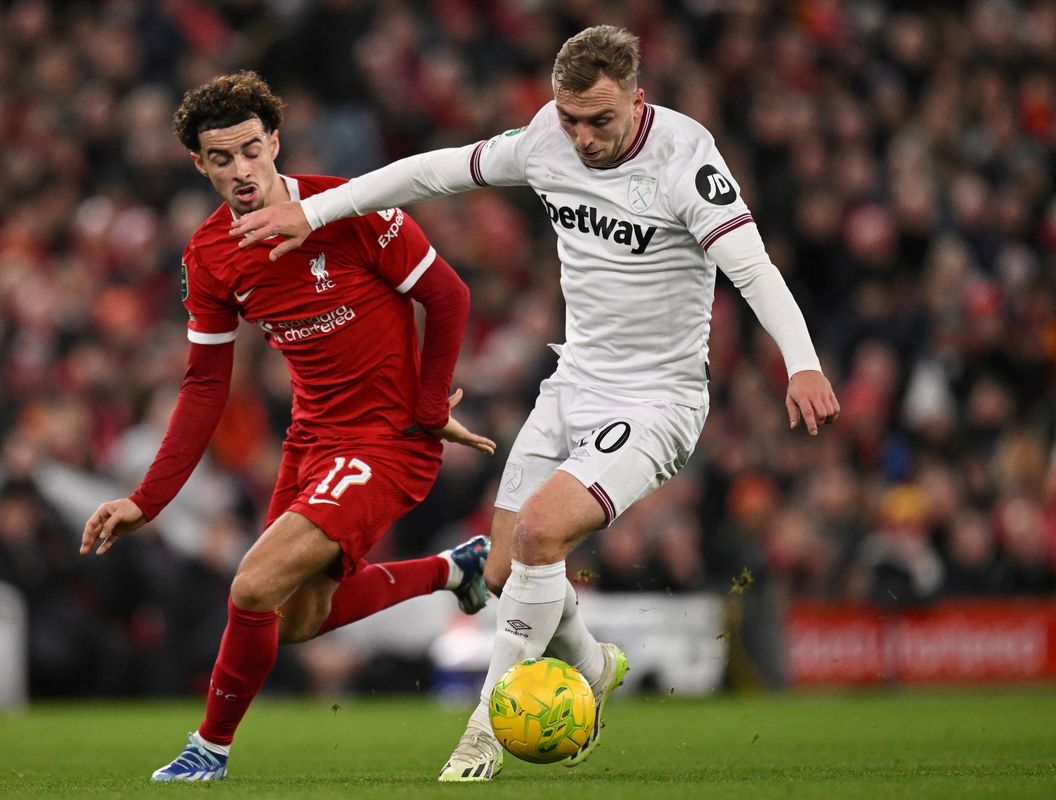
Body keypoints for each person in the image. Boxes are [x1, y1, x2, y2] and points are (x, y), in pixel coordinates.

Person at [231, 25, 841, 782]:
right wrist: (316, 212)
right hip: (573, 380)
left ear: (636, 100)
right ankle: (592, 663)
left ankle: (483, 734)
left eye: (600, 121)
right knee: (502, 565)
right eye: (569, 118)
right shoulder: (547, 138)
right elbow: (432, 171)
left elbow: (753, 269)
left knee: (543, 536)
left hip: (658, 399)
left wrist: (803, 363)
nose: (581, 137)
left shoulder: (686, 160)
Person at [79, 71, 498, 782]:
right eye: (221, 159)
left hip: (387, 440)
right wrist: (145, 500)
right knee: (298, 620)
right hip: (311, 443)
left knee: (250, 586)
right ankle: (454, 570)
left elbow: (448, 296)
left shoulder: (354, 206)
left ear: (275, 142)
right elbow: (205, 385)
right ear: (198, 164)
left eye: (251, 150)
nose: (241, 171)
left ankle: (207, 750)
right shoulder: (210, 257)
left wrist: (428, 413)